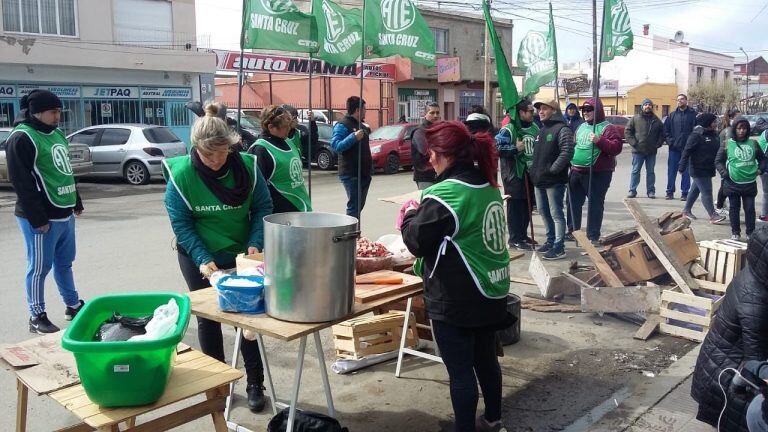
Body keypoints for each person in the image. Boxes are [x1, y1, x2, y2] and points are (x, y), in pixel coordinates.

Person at [401, 120, 511, 432]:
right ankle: (492, 419)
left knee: (461, 372)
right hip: (491, 290)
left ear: (445, 155)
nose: (429, 160)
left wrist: (409, 213)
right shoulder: (487, 185)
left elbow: (415, 242)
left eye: (432, 153)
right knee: (486, 360)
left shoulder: (446, 193)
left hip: (458, 298)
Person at [162, 102, 273, 412]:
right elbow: (181, 223)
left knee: (247, 321)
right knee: (209, 319)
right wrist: (200, 256)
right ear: (195, 148)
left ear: (231, 145)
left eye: (221, 153)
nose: (214, 160)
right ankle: (218, 384)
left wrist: (254, 242)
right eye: (207, 154)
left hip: (240, 254)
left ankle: (255, 383)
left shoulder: (247, 167)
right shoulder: (181, 175)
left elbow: (263, 207)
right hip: (200, 255)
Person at [6, 89, 86, 334]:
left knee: (65, 263)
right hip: (41, 218)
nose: (58, 116)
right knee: (39, 268)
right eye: (54, 111)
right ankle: (36, 315)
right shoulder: (22, 138)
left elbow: (64, 171)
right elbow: (21, 182)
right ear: (37, 112)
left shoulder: (57, 134)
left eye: (60, 111)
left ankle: (72, 305)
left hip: (64, 212)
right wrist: (37, 218)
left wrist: (76, 201)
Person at [691, 226, 768, 432]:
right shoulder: (754, 301)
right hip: (725, 375)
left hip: (720, 361)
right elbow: (756, 361)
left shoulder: (756, 273)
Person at [567, 98, 623, 244]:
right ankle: (573, 231)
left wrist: (600, 141)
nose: (585, 113)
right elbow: (575, 145)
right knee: (572, 203)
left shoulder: (608, 128)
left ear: (597, 110)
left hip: (597, 173)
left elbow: (616, 148)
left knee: (595, 204)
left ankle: (592, 235)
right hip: (576, 171)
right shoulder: (580, 127)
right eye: (583, 110)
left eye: (589, 110)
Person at [530, 99, 574, 260]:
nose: (540, 112)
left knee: (556, 213)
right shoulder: (542, 130)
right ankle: (550, 240)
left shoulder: (562, 129)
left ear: (554, 111)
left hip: (554, 180)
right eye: (539, 110)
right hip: (539, 180)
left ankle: (559, 246)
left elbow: (567, 152)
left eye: (544, 109)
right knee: (543, 211)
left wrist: (553, 170)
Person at [248, 105, 312, 212]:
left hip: (301, 208)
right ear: (271, 127)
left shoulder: (288, 141)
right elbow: (256, 191)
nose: (289, 128)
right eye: (285, 126)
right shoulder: (260, 150)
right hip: (280, 216)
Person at [496, 99, 539, 250]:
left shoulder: (534, 127)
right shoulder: (508, 129)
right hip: (514, 174)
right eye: (530, 111)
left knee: (527, 206)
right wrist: (515, 148)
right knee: (516, 207)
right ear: (521, 113)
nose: (533, 113)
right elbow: (497, 149)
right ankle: (514, 238)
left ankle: (522, 235)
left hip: (530, 173)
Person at [715, 116, 766, 241]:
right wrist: (724, 173)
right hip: (732, 183)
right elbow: (718, 161)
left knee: (749, 209)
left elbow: (763, 159)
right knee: (734, 208)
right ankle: (735, 233)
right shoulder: (727, 144)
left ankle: (750, 233)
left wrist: (760, 170)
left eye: (744, 128)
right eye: (739, 128)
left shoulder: (753, 143)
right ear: (735, 129)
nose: (742, 131)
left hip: (749, 183)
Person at [679, 113, 726, 224]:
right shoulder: (696, 135)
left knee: (695, 190)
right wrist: (681, 166)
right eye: (714, 122)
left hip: (709, 167)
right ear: (707, 123)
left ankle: (686, 211)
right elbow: (687, 151)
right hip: (698, 168)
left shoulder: (714, 134)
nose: (716, 124)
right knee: (707, 192)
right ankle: (713, 215)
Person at [331, 96, 372, 219]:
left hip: (364, 173)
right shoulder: (342, 125)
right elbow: (336, 146)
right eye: (364, 109)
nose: (366, 111)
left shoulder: (362, 126)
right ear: (357, 110)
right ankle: (352, 233)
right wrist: (353, 137)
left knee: (359, 205)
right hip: (351, 173)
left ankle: (355, 231)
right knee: (354, 206)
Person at [625, 98, 665, 199]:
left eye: (649, 105)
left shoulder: (657, 120)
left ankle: (651, 191)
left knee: (650, 172)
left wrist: (658, 144)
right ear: (642, 107)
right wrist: (634, 143)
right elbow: (627, 132)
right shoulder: (635, 118)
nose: (648, 106)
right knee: (635, 171)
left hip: (651, 151)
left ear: (652, 107)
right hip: (638, 151)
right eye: (645, 105)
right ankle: (632, 190)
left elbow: (662, 134)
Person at [664, 94, 697, 200]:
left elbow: (697, 130)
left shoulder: (693, 115)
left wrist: (692, 144)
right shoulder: (672, 115)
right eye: (678, 100)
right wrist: (670, 142)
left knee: (686, 172)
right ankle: (670, 192)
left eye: (682, 99)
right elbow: (666, 131)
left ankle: (685, 193)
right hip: (674, 149)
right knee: (672, 171)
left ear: (686, 101)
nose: (680, 101)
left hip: (688, 149)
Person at [411, 102, 440, 189]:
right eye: (432, 113)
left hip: (438, 174)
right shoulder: (420, 131)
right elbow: (425, 150)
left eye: (437, 113)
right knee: (428, 201)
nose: (435, 115)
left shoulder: (438, 129)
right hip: (425, 176)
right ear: (425, 114)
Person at [760, 129, 768, 221]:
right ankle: (764, 215)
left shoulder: (765, 132)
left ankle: (764, 215)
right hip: (765, 169)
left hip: (763, 168)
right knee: (766, 193)